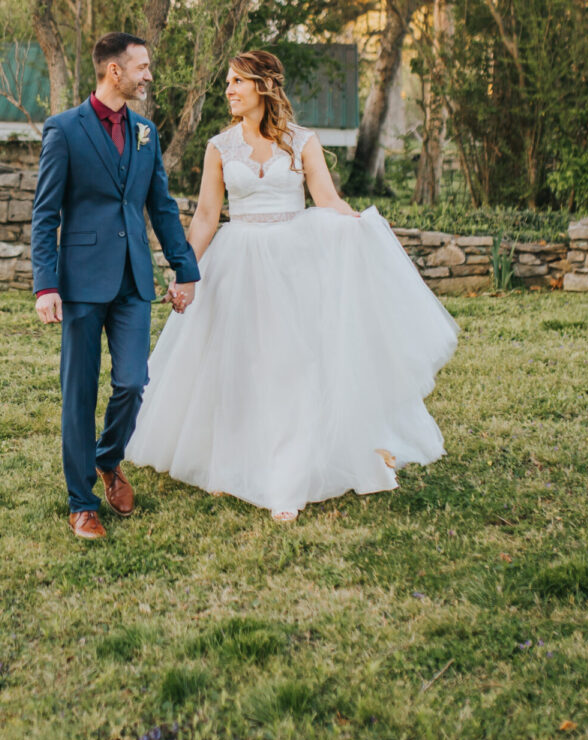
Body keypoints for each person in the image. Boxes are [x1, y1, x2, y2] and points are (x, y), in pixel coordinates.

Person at [126, 49, 459, 521]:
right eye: (227, 82)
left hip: (294, 262)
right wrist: (186, 272)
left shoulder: (303, 142)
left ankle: (290, 471)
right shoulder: (219, 147)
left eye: (238, 82)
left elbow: (326, 199)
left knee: (294, 364)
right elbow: (204, 217)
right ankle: (228, 462)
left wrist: (361, 227)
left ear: (263, 86)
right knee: (238, 364)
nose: (229, 91)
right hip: (237, 261)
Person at [30, 32, 201, 540]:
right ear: (114, 71)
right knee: (78, 394)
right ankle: (81, 502)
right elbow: (45, 215)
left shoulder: (146, 132)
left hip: (132, 280)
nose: (149, 74)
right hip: (80, 282)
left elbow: (162, 209)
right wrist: (46, 285)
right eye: (143, 66)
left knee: (132, 382)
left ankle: (109, 459)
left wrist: (185, 268)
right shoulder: (64, 130)